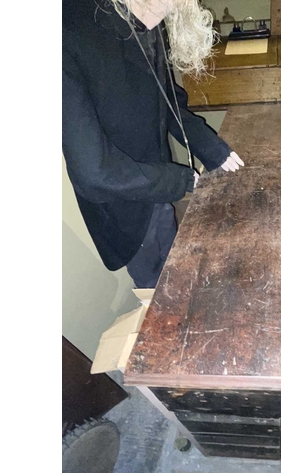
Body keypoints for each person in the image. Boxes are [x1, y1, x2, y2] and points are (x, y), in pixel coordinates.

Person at [62, 0, 243, 288]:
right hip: (122, 204)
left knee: (176, 265)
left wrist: (210, 147)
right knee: (157, 291)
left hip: (157, 183)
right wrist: (176, 179)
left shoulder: (145, 14)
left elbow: (166, 99)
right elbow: (93, 172)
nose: (161, 17)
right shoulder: (64, 27)